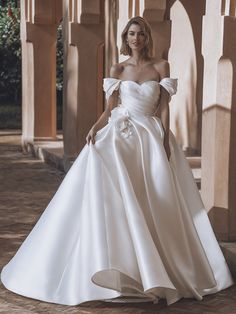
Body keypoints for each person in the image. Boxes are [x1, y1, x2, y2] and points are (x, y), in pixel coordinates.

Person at [0, 16, 234, 307]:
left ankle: (157, 268)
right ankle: (122, 268)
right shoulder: (117, 68)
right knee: (116, 194)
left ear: (147, 37)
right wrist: (95, 128)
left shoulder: (161, 66)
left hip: (149, 137)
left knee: (154, 197)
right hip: (119, 135)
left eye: (141, 33)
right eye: (132, 33)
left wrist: (163, 140)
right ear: (126, 37)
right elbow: (109, 108)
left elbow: (163, 110)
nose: (136, 38)